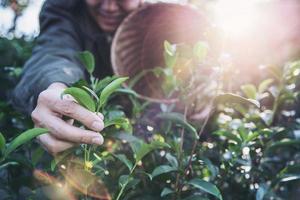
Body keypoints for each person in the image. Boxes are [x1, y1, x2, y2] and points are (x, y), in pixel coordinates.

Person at [12, 0, 144, 154]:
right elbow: (55, 51)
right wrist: (57, 87)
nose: (109, 7)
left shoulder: (160, 19)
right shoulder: (64, 7)